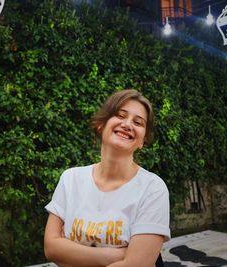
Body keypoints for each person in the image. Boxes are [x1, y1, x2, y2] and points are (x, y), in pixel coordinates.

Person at [44, 89, 170, 267]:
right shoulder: (70, 179)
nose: (127, 124)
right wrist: (121, 255)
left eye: (138, 122)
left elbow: (137, 264)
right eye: (120, 115)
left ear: (142, 140)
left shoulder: (152, 188)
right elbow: (51, 248)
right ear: (101, 125)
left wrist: (71, 254)